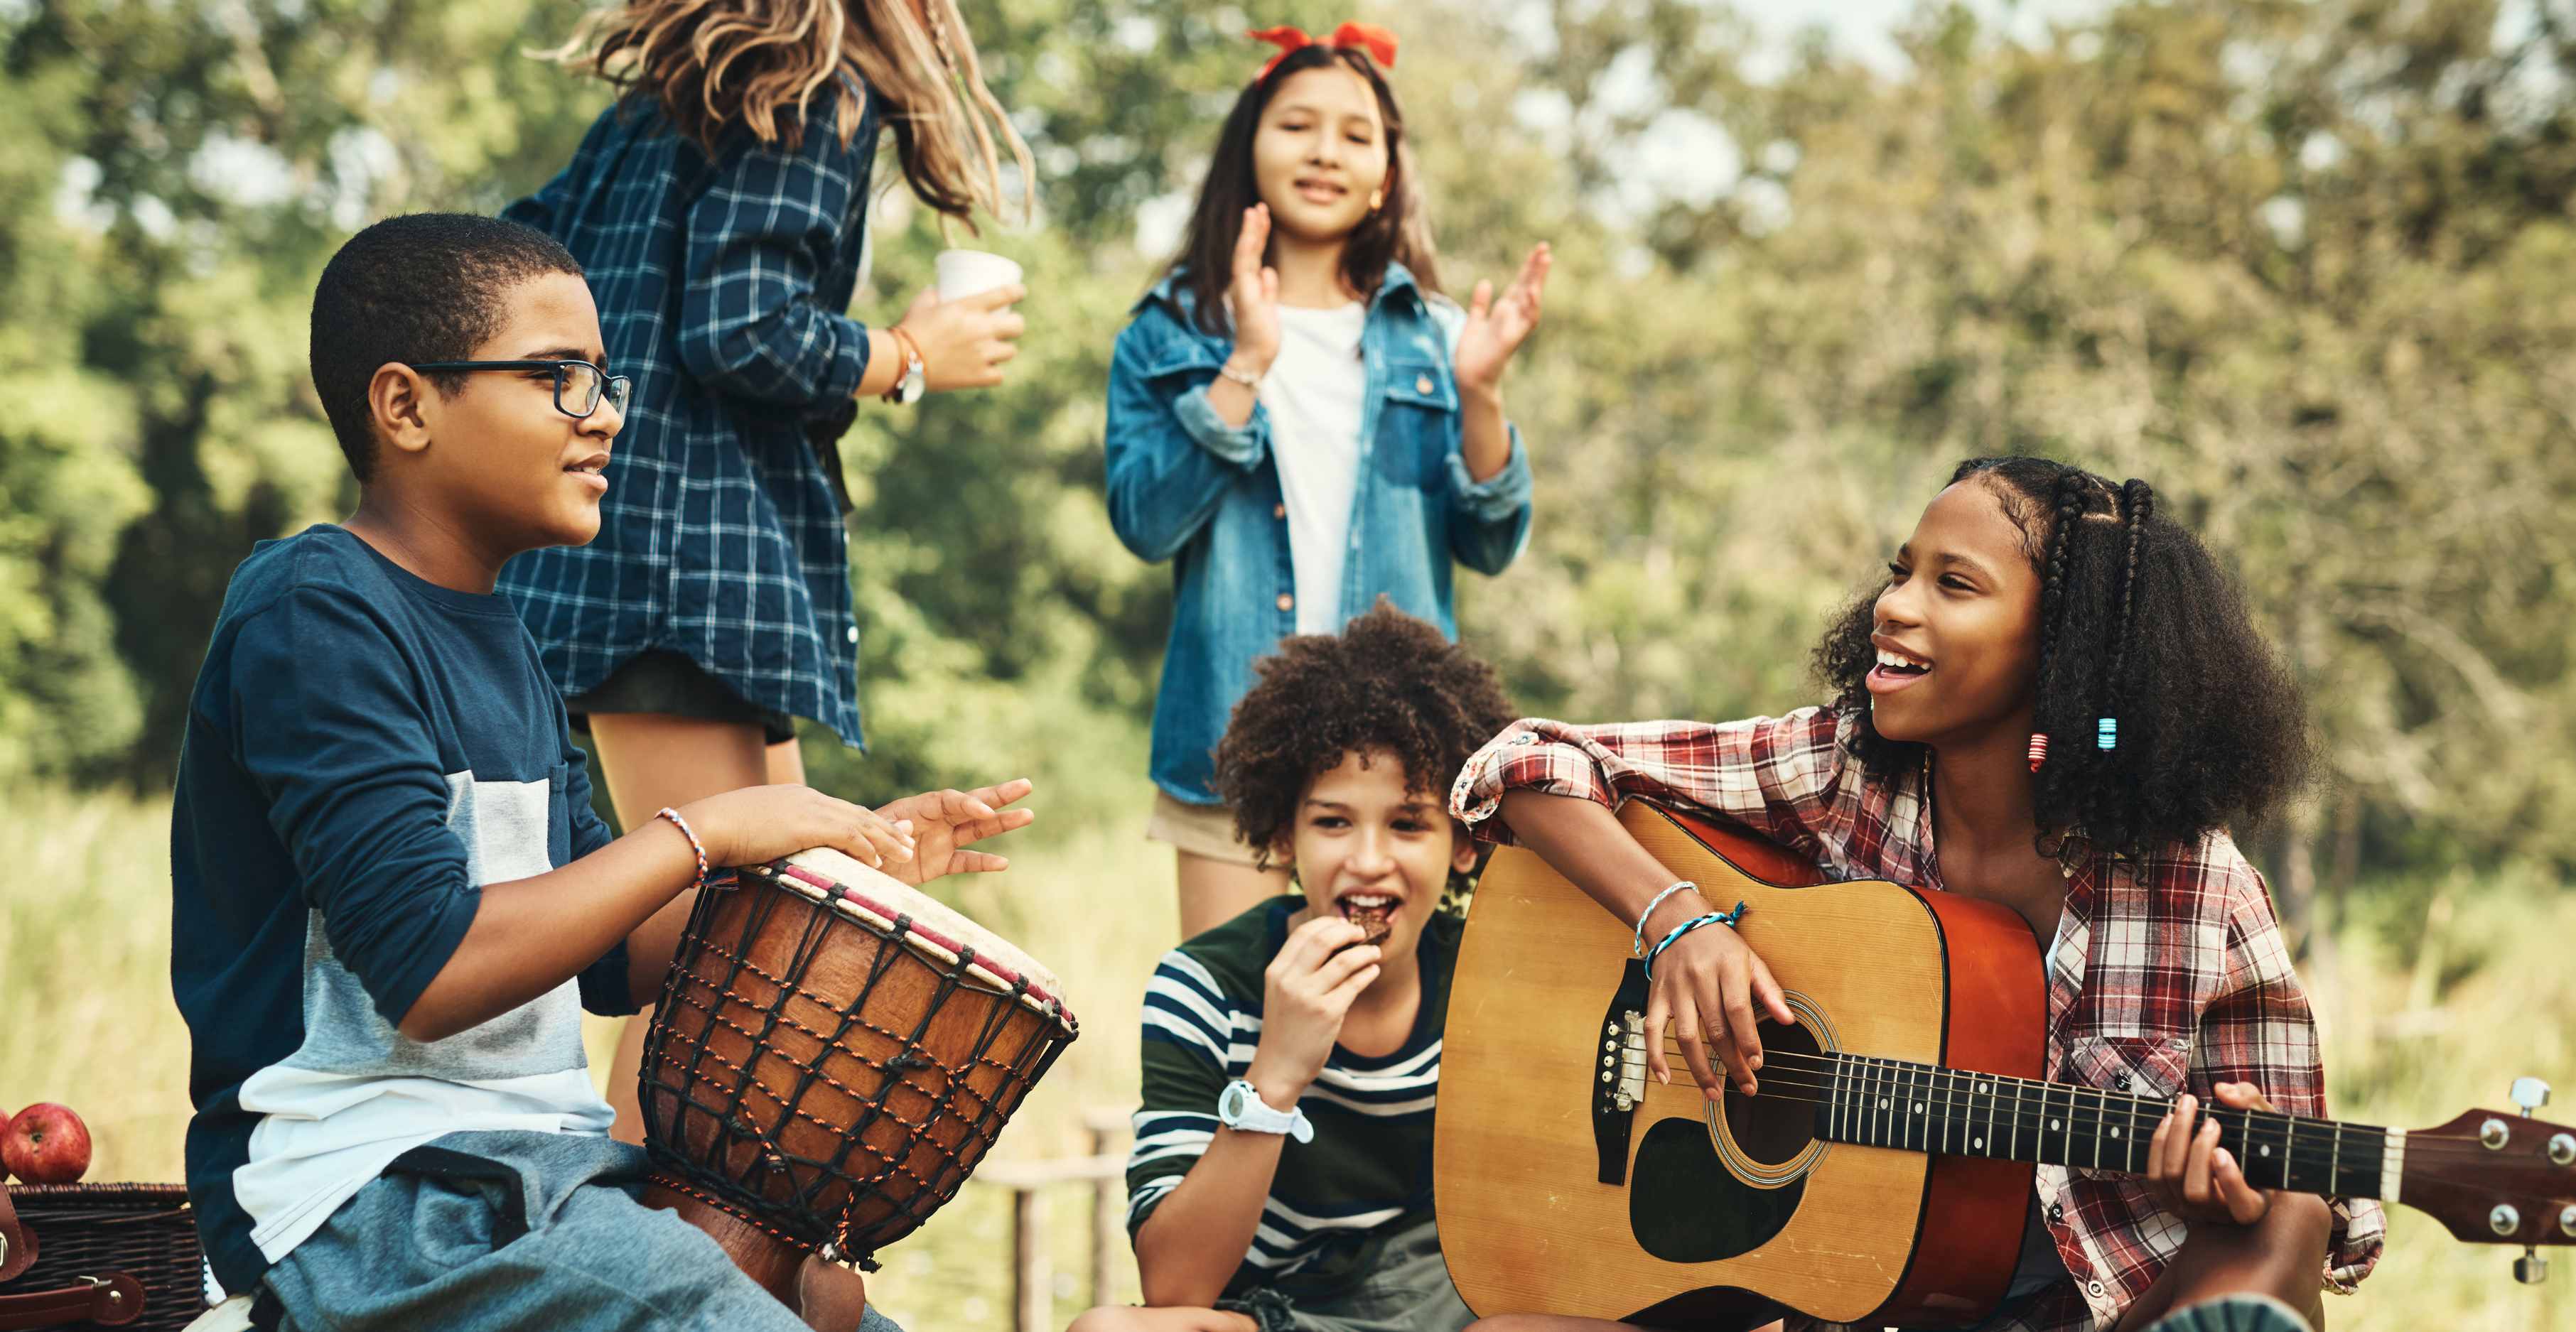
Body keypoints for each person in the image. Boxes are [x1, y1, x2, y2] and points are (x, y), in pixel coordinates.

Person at [168, 213, 1028, 1331]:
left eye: (605, 377)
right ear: (406, 404)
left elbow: (611, 957)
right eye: (558, 376)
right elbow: (430, 972)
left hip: (537, 1175)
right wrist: (704, 829)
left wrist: (829, 868)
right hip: (361, 1197)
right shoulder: (316, 610)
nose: (607, 411)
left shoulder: (507, 637)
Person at [1446, 457, 2384, 1332]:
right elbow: (1525, 762)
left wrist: (2224, 1187)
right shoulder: (1840, 770)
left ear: (2067, 649)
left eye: (1953, 583)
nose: (1891, 606)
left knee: (2287, 1211)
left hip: (2107, 1307)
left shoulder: (2198, 888)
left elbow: (2310, 1193)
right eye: (1901, 572)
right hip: (1850, 1296)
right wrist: (1677, 920)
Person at [500, 0, 1039, 1144]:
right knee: (713, 961)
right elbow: (741, 325)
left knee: (774, 929)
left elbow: (519, 250)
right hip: (689, 575)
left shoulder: (668, 99)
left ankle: (700, 1242)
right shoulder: (812, 86)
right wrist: (903, 356)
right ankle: (634, 1263)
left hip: (652, 565)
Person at [1104, 22, 1553, 938]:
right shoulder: (1170, 328)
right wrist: (1246, 363)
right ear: (1250, 145)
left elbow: (1495, 540)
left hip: (1399, 769)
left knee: (1385, 1055)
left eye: (1356, 134)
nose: (1324, 151)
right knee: (1235, 1033)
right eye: (1297, 125)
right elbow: (1145, 522)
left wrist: (1479, 395)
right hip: (1232, 748)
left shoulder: (1432, 333)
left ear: (1388, 169)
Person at [1068, 601, 1518, 1332]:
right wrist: (1275, 1077)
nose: (1368, 861)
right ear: (1284, 836)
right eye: (1333, 821)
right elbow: (1176, 1287)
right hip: (1284, 1317)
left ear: (1464, 843)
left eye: (1408, 824)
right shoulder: (1203, 986)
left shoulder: (1500, 976)